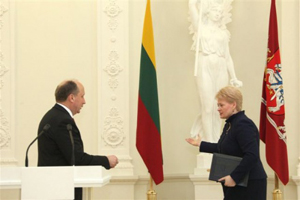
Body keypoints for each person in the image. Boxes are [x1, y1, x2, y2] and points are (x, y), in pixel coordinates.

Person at [37, 79, 118, 200]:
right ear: (72, 98)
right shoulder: (63, 121)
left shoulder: (53, 115)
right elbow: (76, 158)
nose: (84, 101)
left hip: (53, 186)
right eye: (82, 96)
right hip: (61, 189)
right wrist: (106, 160)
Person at [186, 86, 267, 200]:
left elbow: (251, 155)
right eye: (218, 105)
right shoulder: (230, 124)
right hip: (238, 182)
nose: (218, 108)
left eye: (221, 105)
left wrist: (234, 177)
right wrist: (200, 144)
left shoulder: (243, 124)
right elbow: (222, 147)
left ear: (233, 105)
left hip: (249, 183)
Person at [188, 0, 242, 142]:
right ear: (208, 12)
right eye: (215, 11)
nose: (218, 14)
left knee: (220, 106)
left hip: (221, 68)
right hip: (204, 65)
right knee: (207, 107)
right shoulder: (200, 27)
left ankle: (217, 142)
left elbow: (227, 56)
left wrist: (234, 77)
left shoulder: (223, 33)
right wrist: (192, 3)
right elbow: (193, 9)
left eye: (220, 12)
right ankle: (208, 141)